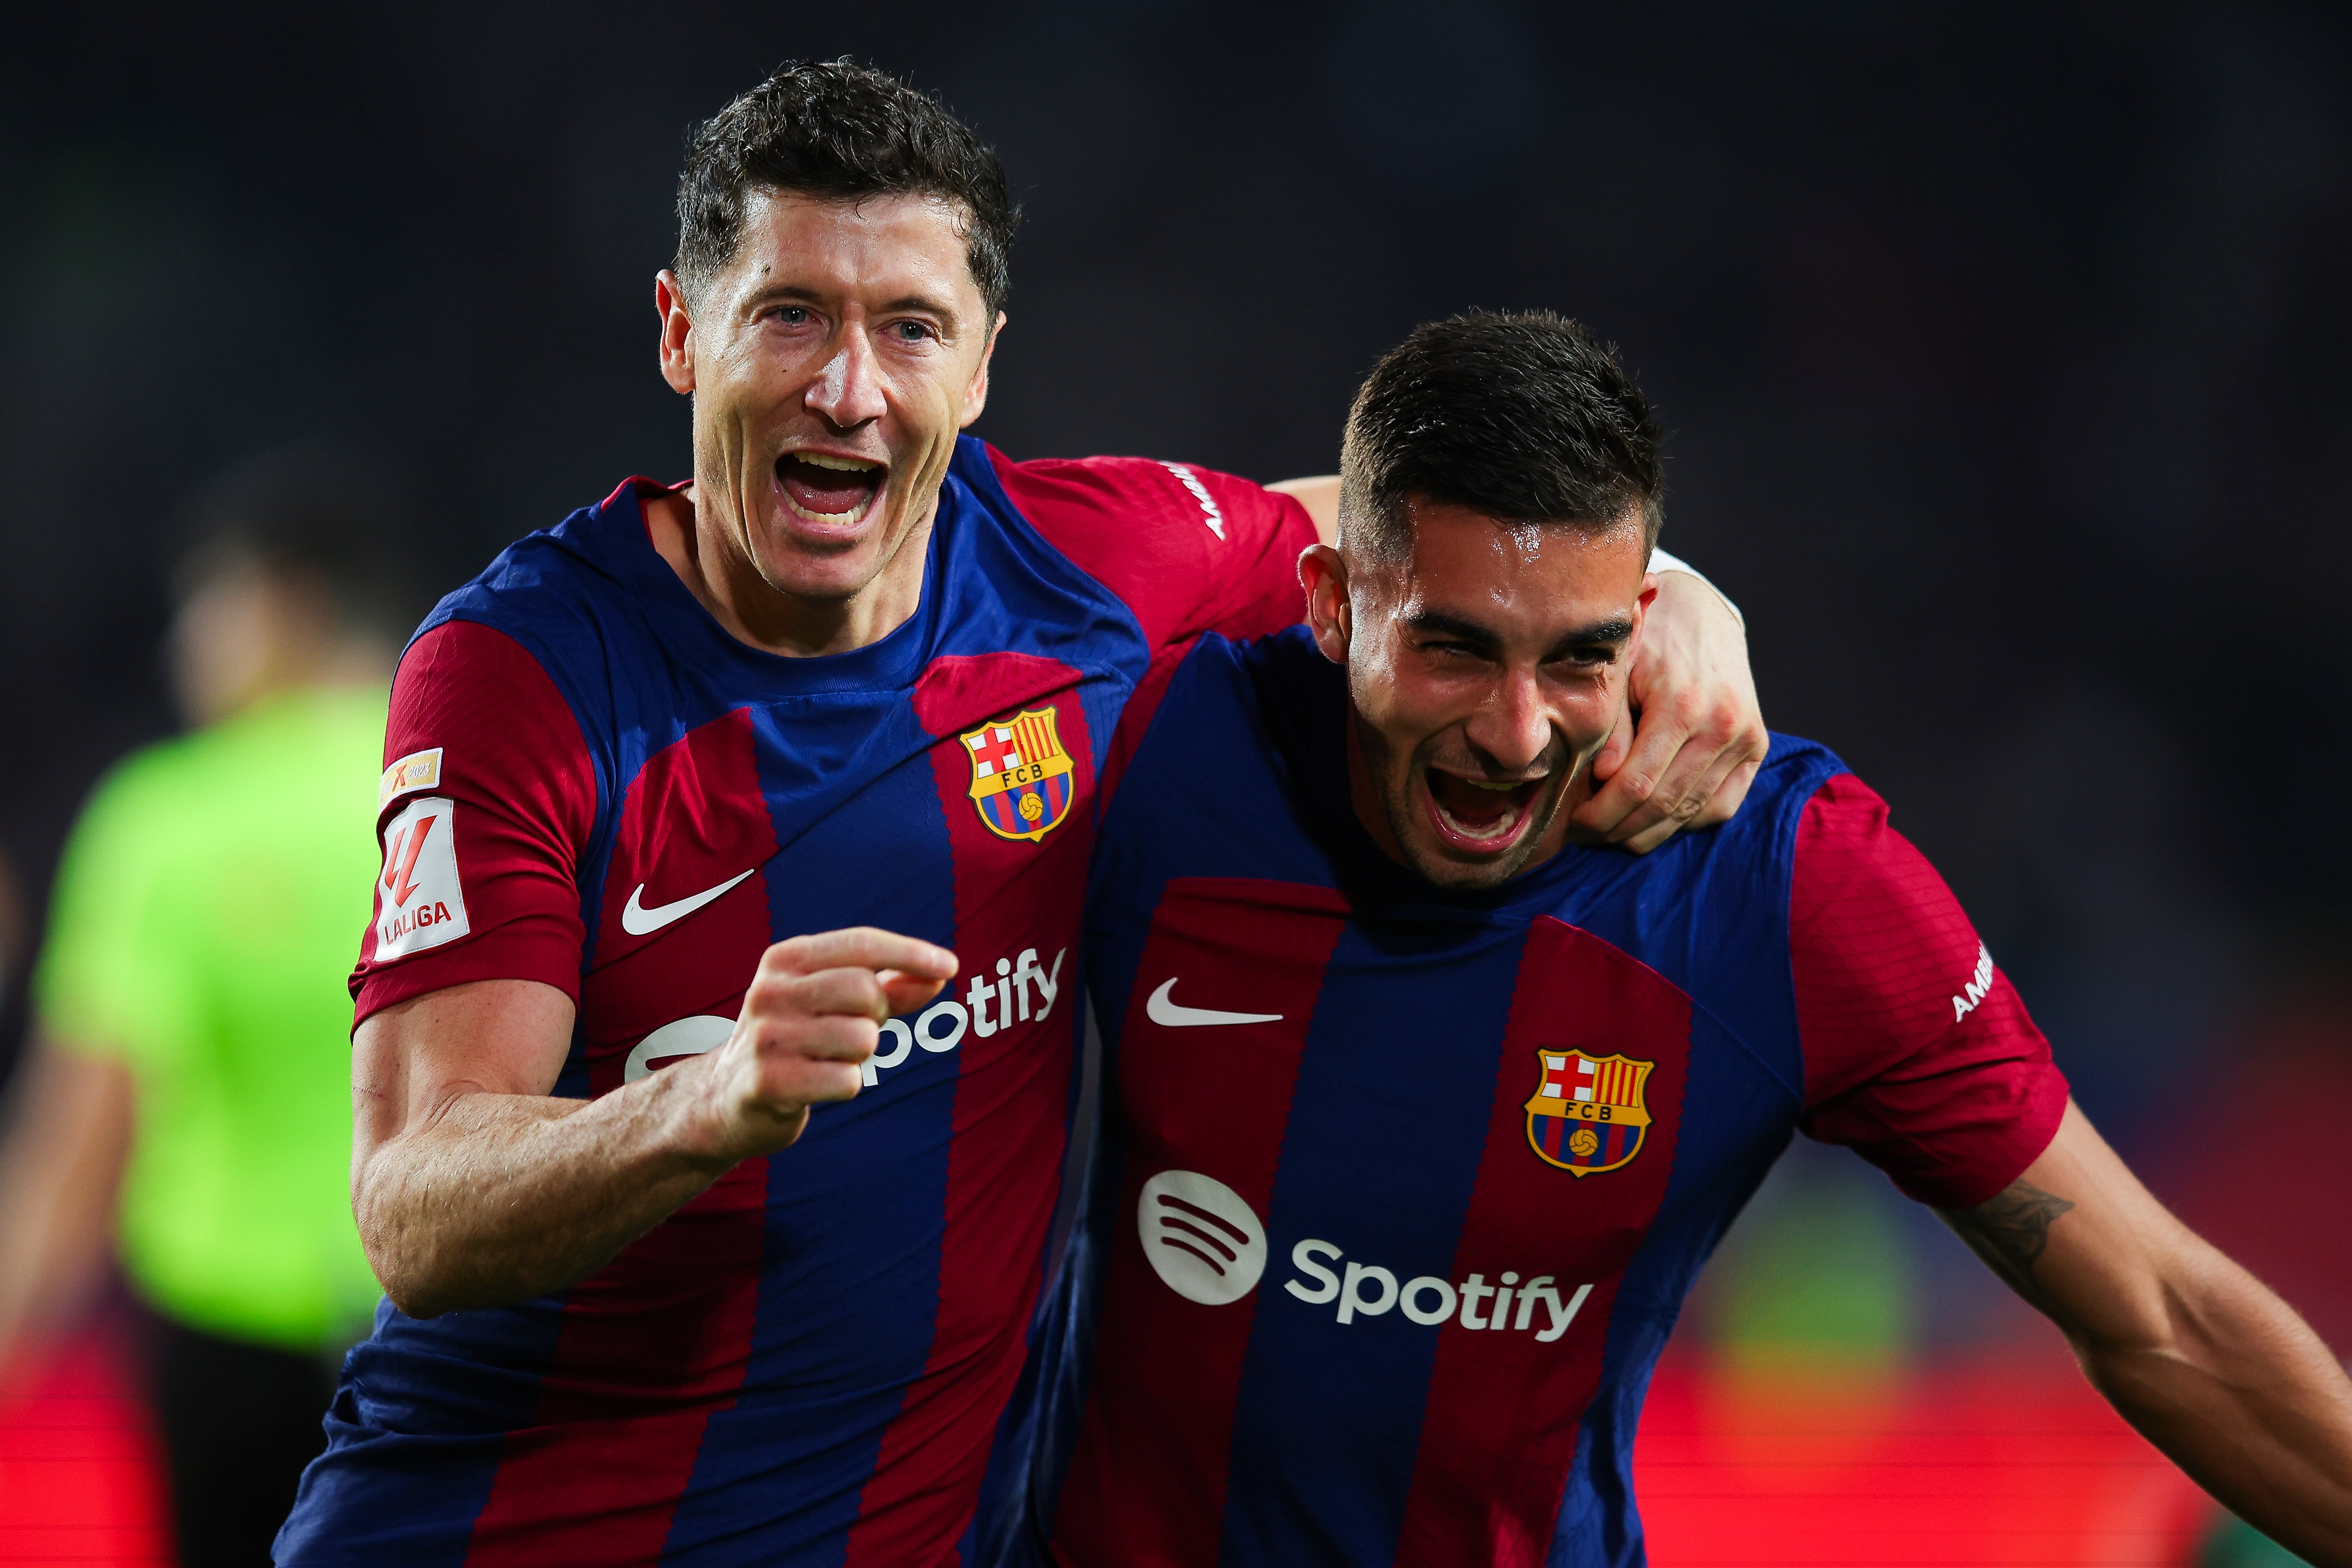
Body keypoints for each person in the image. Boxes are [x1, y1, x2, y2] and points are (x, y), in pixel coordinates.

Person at [275, 62, 1765, 1567]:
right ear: (682, 331)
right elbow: (414, 1204)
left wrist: (1681, 595)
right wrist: (704, 1102)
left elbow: (1411, 544)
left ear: (980, 367)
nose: (847, 386)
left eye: (908, 328)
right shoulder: (525, 671)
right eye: (789, 312)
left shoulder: (1088, 565)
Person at [1016, 311, 2352, 1568]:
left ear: (1644, 625)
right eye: (1456, 651)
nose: (1518, 730)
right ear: (1328, 606)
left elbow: (2163, 1313)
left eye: (1581, 657)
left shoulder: (1786, 887)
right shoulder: (1168, 747)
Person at [0, 451, 407, 1568]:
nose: (186, 642)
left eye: (206, 605)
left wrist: (13, 1338)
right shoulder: (474, 791)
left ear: (283, 606)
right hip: (447, 1327)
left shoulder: (169, 822)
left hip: (234, 1355)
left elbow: (81, 1128)